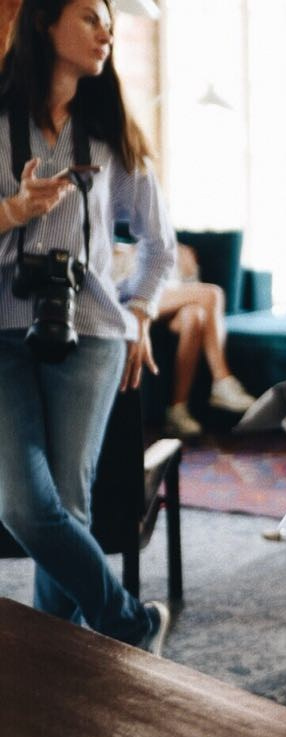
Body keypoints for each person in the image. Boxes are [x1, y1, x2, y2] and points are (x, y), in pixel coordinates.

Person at [0, 0, 176, 653]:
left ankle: (53, 670)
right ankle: (130, 622)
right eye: (89, 18)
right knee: (23, 505)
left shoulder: (110, 133)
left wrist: (141, 311)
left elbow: (159, 246)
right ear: (44, 22)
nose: (106, 32)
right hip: (3, 331)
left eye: (109, 23)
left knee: (69, 506)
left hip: (93, 331)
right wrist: (15, 211)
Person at [112, 240, 257, 437]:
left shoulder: (174, 250)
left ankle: (177, 409)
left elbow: (190, 291)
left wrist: (188, 271)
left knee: (195, 316)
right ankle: (222, 380)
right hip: (134, 301)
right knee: (212, 293)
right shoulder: (119, 250)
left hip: (169, 304)